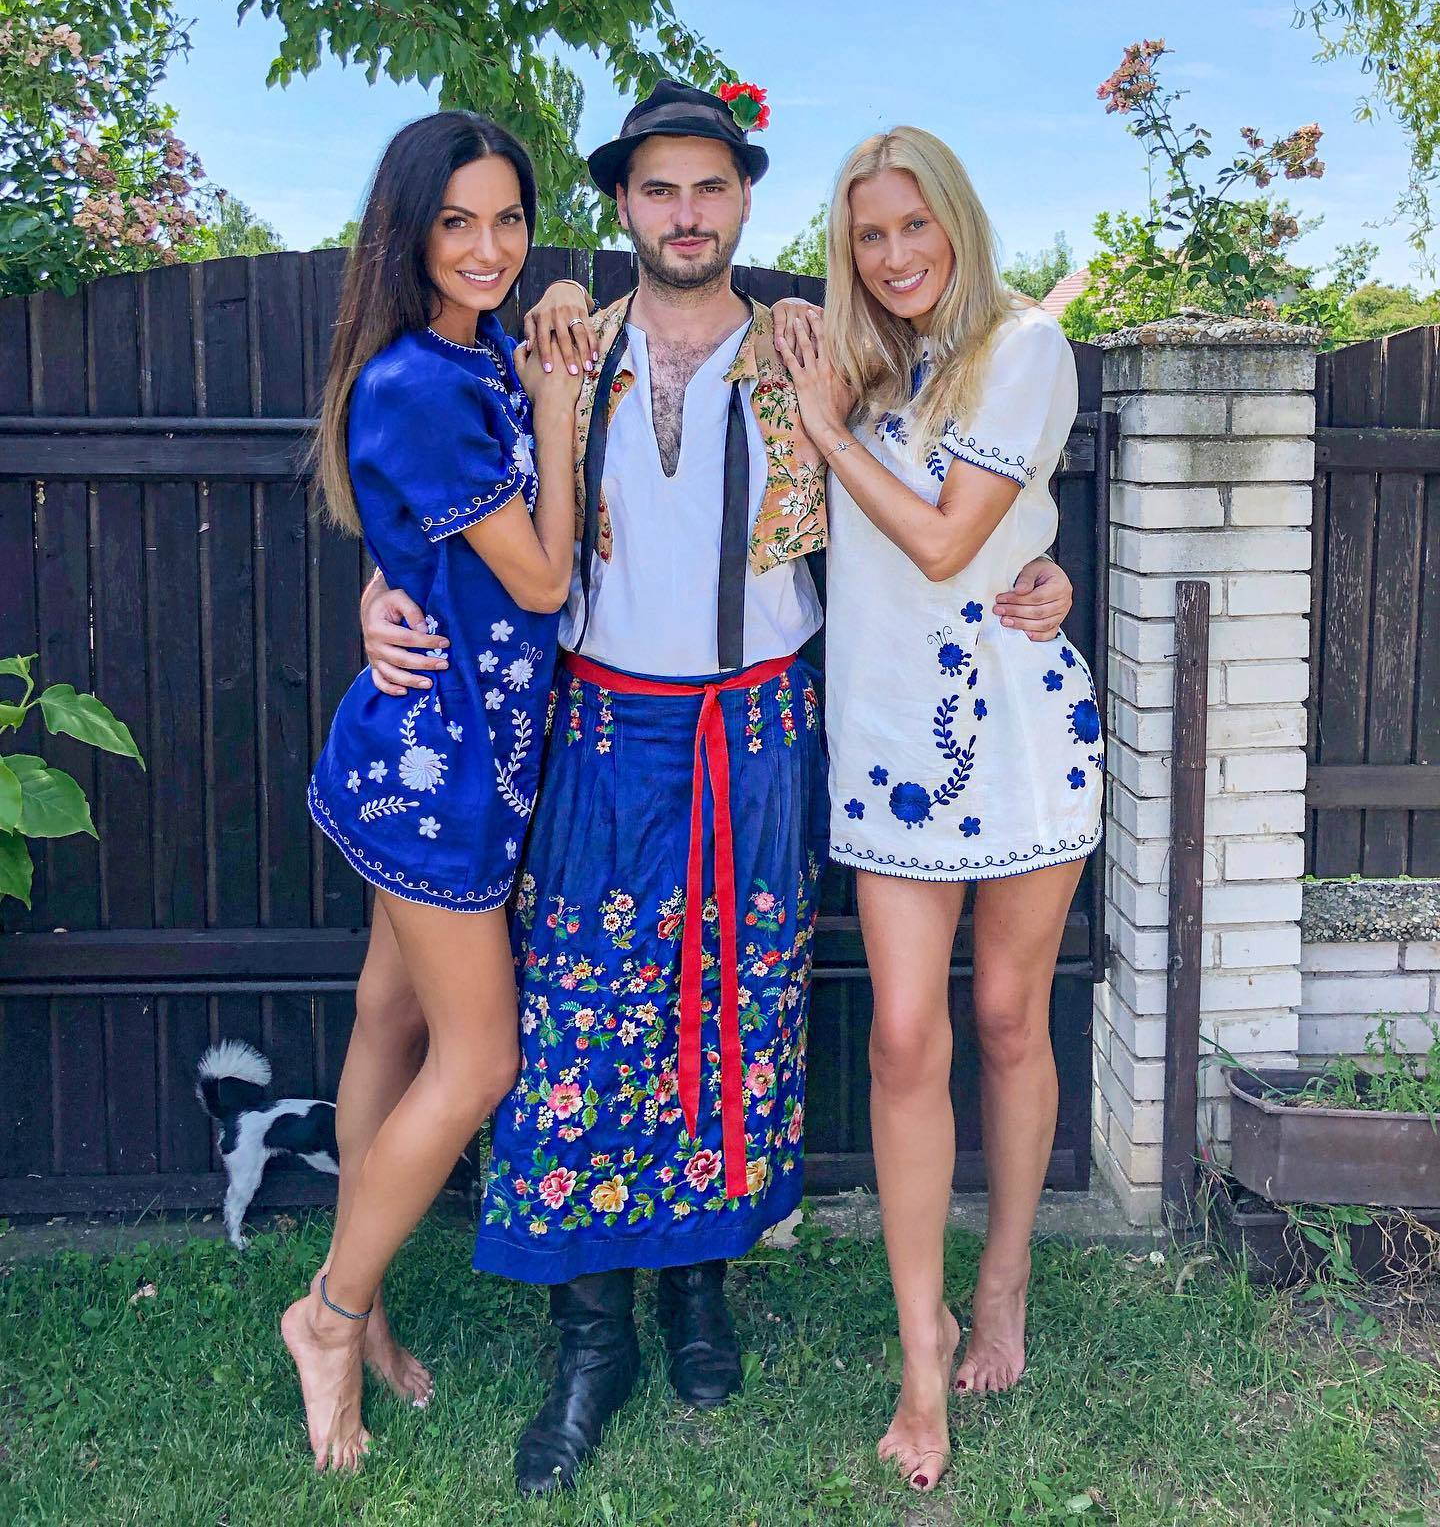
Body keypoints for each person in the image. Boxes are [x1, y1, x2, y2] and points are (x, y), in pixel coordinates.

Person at [358, 81, 1076, 1498]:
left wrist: (1034, 568)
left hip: (758, 724)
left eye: (709, 188)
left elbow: (949, 471)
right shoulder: (557, 347)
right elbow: (433, 503)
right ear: (623, 206)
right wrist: (379, 596)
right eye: (657, 190)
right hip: (603, 723)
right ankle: (592, 1335)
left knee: (730, 1016)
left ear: (745, 201)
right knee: (582, 1021)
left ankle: (700, 1289)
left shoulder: (822, 346)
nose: (685, 215)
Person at [772, 127, 1104, 1493]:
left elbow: (947, 539)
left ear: (959, 222)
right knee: (905, 1035)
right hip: (890, 736)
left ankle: (1005, 1272)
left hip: (1016, 731)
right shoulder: (862, 366)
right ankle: (925, 1344)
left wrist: (825, 435)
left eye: (916, 225)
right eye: (871, 234)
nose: (896, 253)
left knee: (1010, 1018)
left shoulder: (1022, 344)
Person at [283, 109, 579, 1473]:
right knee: (478, 1061)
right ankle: (331, 1316)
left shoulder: (479, 355)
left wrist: (548, 339)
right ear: (408, 235)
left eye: (507, 219)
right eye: (456, 222)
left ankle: (369, 1301)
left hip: (452, 750)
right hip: (437, 773)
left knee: (388, 1016)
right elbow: (541, 579)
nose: (487, 246)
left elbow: (425, 547)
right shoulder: (420, 382)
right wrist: (561, 419)